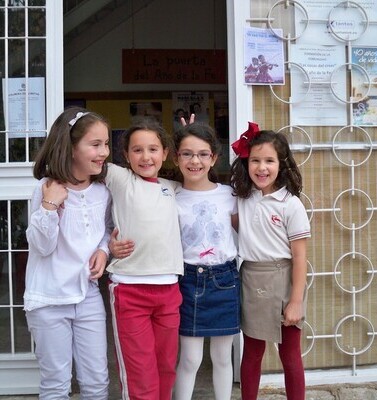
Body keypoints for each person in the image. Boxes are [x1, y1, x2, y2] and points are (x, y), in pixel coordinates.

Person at [24, 107, 112, 399]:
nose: (104, 152)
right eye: (95, 144)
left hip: (87, 296)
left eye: (106, 144)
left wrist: (103, 250)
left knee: (97, 382)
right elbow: (41, 246)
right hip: (49, 300)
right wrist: (50, 206)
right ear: (72, 147)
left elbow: (105, 231)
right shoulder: (47, 188)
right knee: (56, 384)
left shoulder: (102, 191)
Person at [105, 116, 184, 400]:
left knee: (166, 369)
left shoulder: (174, 188)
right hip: (129, 289)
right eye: (137, 150)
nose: (146, 156)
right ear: (125, 155)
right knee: (140, 374)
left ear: (165, 154)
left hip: (169, 290)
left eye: (153, 149)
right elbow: (83, 154)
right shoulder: (120, 178)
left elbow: (198, 169)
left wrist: (186, 137)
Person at [230, 122, 311, 400]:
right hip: (251, 278)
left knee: (289, 354)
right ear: (246, 162)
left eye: (269, 160)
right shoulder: (240, 198)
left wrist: (296, 301)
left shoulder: (291, 204)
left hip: (284, 279)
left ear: (281, 164)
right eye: (255, 160)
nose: (261, 168)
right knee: (252, 351)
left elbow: (300, 256)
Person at [172, 123, 240, 400]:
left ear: (214, 158)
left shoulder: (229, 194)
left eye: (203, 154)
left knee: (223, 357)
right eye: (187, 154)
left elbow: (246, 229)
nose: (195, 161)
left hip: (225, 281)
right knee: (190, 359)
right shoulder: (170, 195)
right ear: (175, 157)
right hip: (188, 281)